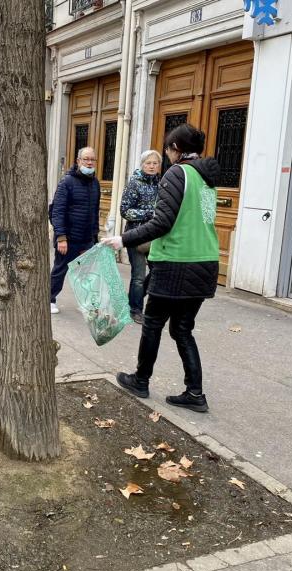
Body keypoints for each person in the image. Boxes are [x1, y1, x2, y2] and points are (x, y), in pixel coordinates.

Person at [102, 124, 220, 413]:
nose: (166, 155)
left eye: (168, 149)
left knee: (153, 323)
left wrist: (122, 239)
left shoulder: (177, 173)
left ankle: (140, 380)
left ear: (176, 148)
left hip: (176, 264)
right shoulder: (207, 179)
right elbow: (199, 218)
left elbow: (162, 222)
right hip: (205, 262)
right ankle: (195, 393)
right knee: (182, 329)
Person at [49, 146, 100, 314]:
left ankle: (85, 301)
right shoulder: (67, 182)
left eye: (92, 159)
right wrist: (61, 237)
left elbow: (95, 211)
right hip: (68, 238)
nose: (90, 162)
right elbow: (57, 211)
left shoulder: (95, 183)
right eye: (86, 159)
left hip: (87, 238)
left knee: (87, 273)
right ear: (78, 161)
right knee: (60, 270)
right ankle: (50, 300)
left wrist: (95, 237)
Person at [120, 150, 161, 324]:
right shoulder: (134, 183)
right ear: (142, 164)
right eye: (148, 163)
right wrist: (150, 214)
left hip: (156, 235)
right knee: (138, 275)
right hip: (136, 235)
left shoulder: (161, 183)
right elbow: (125, 211)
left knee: (157, 271)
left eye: (155, 163)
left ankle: (133, 298)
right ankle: (135, 310)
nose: (152, 166)